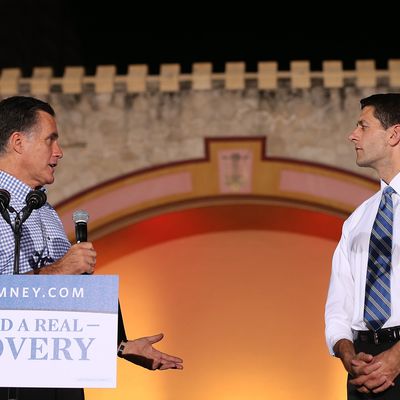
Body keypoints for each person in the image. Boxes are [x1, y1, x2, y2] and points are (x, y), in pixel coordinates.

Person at [0, 96, 183, 400]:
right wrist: (60, 270)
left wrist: (120, 346)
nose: (59, 152)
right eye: (50, 141)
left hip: (61, 381)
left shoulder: (45, 212)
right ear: (18, 142)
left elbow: (64, 305)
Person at [325, 93, 400, 399]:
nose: (352, 135)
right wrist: (347, 352)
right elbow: (338, 303)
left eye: (363, 126)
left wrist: (396, 358)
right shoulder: (357, 220)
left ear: (394, 134)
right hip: (363, 369)